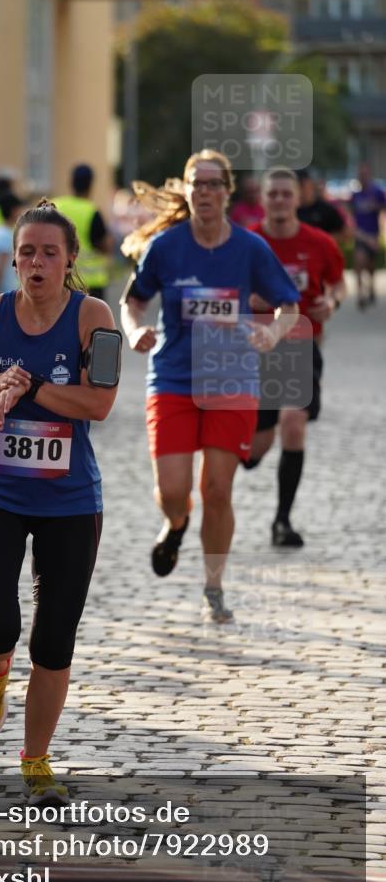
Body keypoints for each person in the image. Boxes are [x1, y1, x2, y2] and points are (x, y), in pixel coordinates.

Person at [0, 200, 117, 801]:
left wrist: (36, 386)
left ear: (69, 260)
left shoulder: (97, 317)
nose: (36, 263)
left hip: (70, 499)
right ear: (13, 261)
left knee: (54, 639)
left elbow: (99, 404)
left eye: (49, 252)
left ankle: (36, 759)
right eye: (26, 253)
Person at [120, 150, 299, 624]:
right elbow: (132, 303)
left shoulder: (251, 249)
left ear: (227, 192)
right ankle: (176, 523)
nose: (205, 192)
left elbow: (289, 307)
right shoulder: (166, 247)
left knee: (218, 490)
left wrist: (271, 333)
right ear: (186, 189)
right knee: (173, 490)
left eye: (214, 184)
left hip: (232, 379)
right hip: (174, 379)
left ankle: (213, 587)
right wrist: (135, 330)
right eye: (197, 184)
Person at [245, 167, 346, 546]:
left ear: (299, 198)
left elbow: (337, 284)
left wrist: (330, 302)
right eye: (273, 194)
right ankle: (231, 462)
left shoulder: (320, 243)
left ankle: (282, 522)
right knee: (255, 450)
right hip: (256, 348)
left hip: (302, 345)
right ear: (263, 199)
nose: (280, 200)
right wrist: (247, 302)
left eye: (287, 194)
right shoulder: (247, 241)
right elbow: (225, 291)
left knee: (293, 421)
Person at [54, 164, 114, 300]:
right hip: (90, 283)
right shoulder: (91, 211)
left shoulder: (55, 206)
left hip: (60, 279)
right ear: (91, 184)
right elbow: (104, 246)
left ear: (71, 182)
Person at [350, 162, 385, 309]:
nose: (362, 178)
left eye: (365, 175)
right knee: (358, 263)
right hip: (360, 234)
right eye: (360, 175)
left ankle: (371, 288)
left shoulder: (377, 192)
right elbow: (350, 214)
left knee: (370, 266)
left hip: (373, 234)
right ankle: (360, 295)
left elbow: (383, 209)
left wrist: (375, 206)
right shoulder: (355, 195)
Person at [296, 170, 346, 241]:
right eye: (297, 186)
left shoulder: (326, 209)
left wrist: (322, 241)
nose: (300, 190)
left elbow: (344, 232)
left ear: (310, 184)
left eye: (302, 185)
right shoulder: (292, 210)